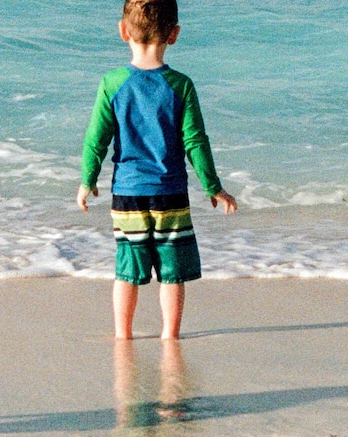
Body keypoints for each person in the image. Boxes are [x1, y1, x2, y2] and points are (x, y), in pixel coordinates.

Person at [77, 0, 236, 341]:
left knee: (127, 270)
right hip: (170, 194)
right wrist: (213, 187)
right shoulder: (180, 85)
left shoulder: (112, 83)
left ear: (123, 31)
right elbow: (195, 141)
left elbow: (96, 138)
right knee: (172, 273)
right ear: (173, 34)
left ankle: (123, 335)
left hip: (128, 194)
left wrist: (87, 179)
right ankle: (170, 336)